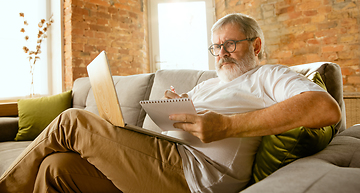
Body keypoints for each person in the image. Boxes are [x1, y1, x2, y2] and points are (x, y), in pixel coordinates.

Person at [0, 13, 341, 193]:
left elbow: (325, 108)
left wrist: (229, 126)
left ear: (256, 44)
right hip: (163, 157)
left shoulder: (268, 75)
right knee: (56, 169)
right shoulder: (210, 84)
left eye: (231, 44)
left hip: (193, 176)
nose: (221, 53)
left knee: (72, 121)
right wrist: (177, 106)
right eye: (216, 47)